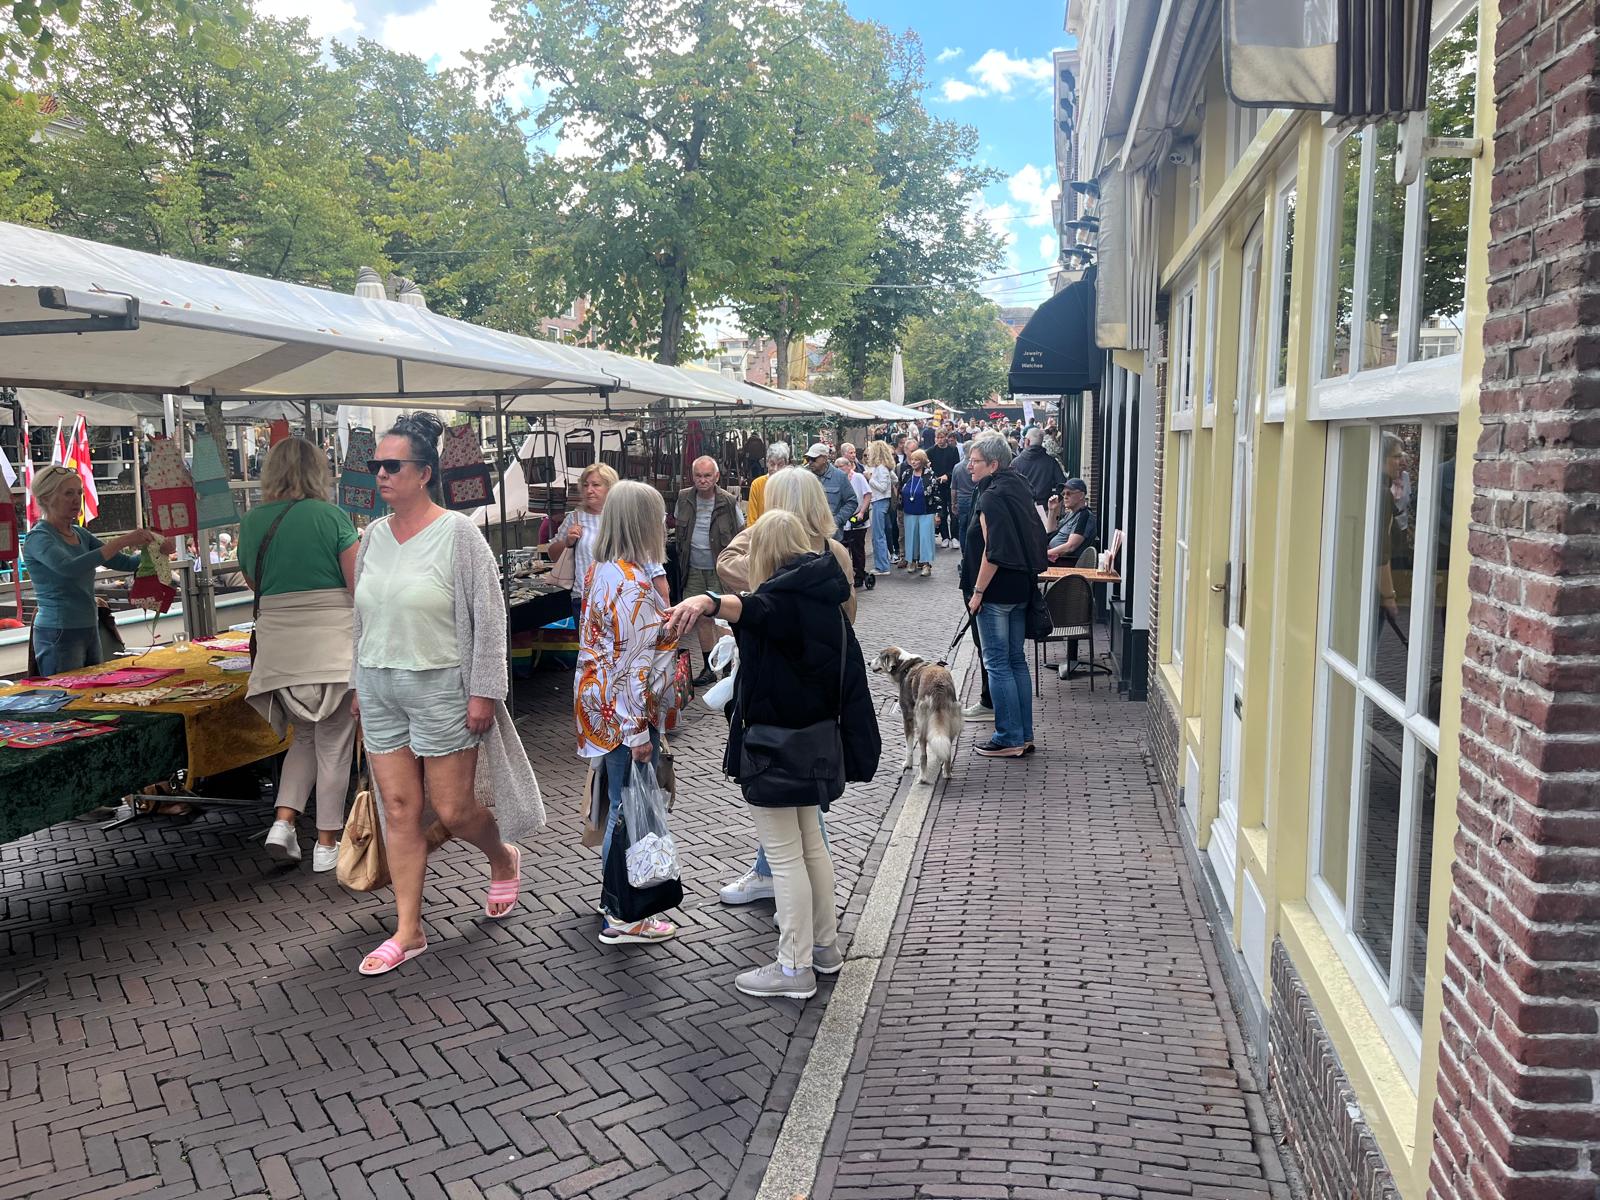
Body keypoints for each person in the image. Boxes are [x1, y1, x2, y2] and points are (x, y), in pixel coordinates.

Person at [351, 413, 543, 976]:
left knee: (455, 810)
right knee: (400, 808)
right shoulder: (371, 539)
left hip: (441, 686)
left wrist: (485, 691)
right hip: (381, 683)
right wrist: (356, 682)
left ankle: (502, 856)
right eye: (375, 466)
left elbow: (489, 615)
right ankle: (409, 929)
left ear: (424, 473)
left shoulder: (459, 535)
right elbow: (361, 617)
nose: (380, 475)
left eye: (392, 465)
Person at [665, 510, 880, 999]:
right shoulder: (826, 597)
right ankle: (824, 949)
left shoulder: (781, 599)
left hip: (776, 746)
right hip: (816, 740)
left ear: (765, 551)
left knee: (786, 858)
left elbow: (751, 609)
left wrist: (708, 600)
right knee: (811, 849)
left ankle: (793, 967)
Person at [716, 466, 855, 907]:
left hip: (783, 688)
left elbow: (725, 566)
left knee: (793, 800)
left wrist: (763, 534)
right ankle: (773, 877)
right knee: (793, 794)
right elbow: (848, 618)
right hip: (820, 687)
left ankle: (803, 909)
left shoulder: (768, 550)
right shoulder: (834, 553)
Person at [240, 437, 360, 871]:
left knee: (305, 738)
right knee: (334, 742)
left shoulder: (253, 521)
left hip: (280, 648)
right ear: (317, 472)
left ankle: (283, 821)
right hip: (332, 646)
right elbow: (357, 585)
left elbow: (256, 583)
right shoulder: (331, 517)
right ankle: (326, 844)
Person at [574, 481, 681, 946]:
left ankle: (613, 899)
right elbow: (633, 668)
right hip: (625, 716)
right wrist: (638, 733)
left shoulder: (604, 570)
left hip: (601, 709)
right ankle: (624, 913)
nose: (664, 525)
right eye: (657, 517)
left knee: (618, 801)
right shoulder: (635, 584)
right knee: (625, 805)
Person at [23, 465, 160, 676]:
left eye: (79, 492)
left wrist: (156, 549)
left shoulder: (80, 534)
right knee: (68, 697)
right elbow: (68, 568)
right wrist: (122, 540)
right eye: (68, 493)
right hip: (58, 631)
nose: (76, 499)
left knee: (94, 692)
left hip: (89, 626)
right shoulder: (38, 538)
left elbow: (126, 563)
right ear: (47, 498)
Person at [963, 432, 1048, 758]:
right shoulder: (1020, 487)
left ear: (993, 464)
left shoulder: (991, 497)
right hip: (1021, 588)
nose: (969, 466)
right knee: (1016, 662)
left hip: (996, 592)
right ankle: (1023, 735)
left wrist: (978, 591)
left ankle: (1008, 736)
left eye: (975, 461)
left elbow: (992, 552)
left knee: (997, 663)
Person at [673, 455, 743, 684]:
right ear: (692, 477)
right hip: (692, 568)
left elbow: (741, 533)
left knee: (723, 619)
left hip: (720, 569)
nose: (702, 481)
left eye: (707, 476)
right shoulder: (684, 498)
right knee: (701, 617)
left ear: (716, 477)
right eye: (698, 476)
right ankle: (708, 668)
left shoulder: (728, 501)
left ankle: (725, 667)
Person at [551, 462, 623, 622]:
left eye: (596, 485)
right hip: (584, 598)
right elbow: (552, 555)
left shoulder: (622, 517)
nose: (589, 490)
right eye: (585, 485)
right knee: (589, 647)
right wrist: (567, 542)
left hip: (619, 598)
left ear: (611, 488)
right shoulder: (575, 518)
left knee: (620, 646)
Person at [804, 443, 861, 537]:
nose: (810, 462)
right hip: (809, 534)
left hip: (832, 536)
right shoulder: (805, 476)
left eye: (813, 459)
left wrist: (837, 520)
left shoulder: (840, 477)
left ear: (825, 459)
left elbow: (852, 502)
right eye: (808, 459)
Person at [836, 456, 872, 590]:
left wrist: (862, 512)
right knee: (841, 549)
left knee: (857, 549)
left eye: (842, 466)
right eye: (837, 467)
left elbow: (867, 494)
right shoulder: (837, 480)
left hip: (856, 519)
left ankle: (859, 575)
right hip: (842, 520)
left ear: (849, 466)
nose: (839, 469)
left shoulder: (858, 478)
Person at [899, 449, 936, 577]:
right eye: (912, 459)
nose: (913, 462)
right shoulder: (906, 474)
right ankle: (912, 561)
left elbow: (936, 494)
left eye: (917, 460)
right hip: (909, 511)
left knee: (925, 538)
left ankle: (926, 564)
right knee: (911, 537)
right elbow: (900, 490)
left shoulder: (929, 474)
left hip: (926, 511)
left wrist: (938, 514)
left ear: (922, 461)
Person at [1045, 478, 1099, 563]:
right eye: (1063, 494)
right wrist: (1052, 510)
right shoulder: (1070, 514)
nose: (1065, 497)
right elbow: (1051, 532)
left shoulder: (1084, 516)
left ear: (1081, 495)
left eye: (1069, 493)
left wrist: (1044, 554)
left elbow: (1071, 546)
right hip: (1053, 558)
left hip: (1065, 562)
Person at [864, 439, 896, 577]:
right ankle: (882, 564)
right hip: (881, 501)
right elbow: (894, 479)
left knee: (878, 535)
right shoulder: (885, 468)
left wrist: (870, 479)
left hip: (880, 501)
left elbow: (882, 487)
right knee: (878, 534)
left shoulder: (881, 468)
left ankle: (882, 566)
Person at [1014, 427, 1067, 507]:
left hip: (1022, 508)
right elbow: (1062, 484)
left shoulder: (1015, 463)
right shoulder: (1051, 462)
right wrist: (1054, 499)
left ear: (1027, 441)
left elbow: (1010, 487)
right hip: (1045, 506)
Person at [927, 427, 960, 547]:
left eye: (941, 437)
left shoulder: (953, 450)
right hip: (937, 484)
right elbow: (928, 467)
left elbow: (956, 467)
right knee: (941, 511)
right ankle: (945, 536)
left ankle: (955, 536)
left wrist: (947, 475)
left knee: (953, 510)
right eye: (937, 438)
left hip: (951, 484)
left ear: (946, 437)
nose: (939, 440)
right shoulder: (931, 451)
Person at [745, 441, 790, 526]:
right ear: (767, 463)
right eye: (772, 464)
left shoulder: (791, 485)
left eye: (780, 464)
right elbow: (751, 520)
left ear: (786, 464)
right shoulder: (757, 484)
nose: (775, 469)